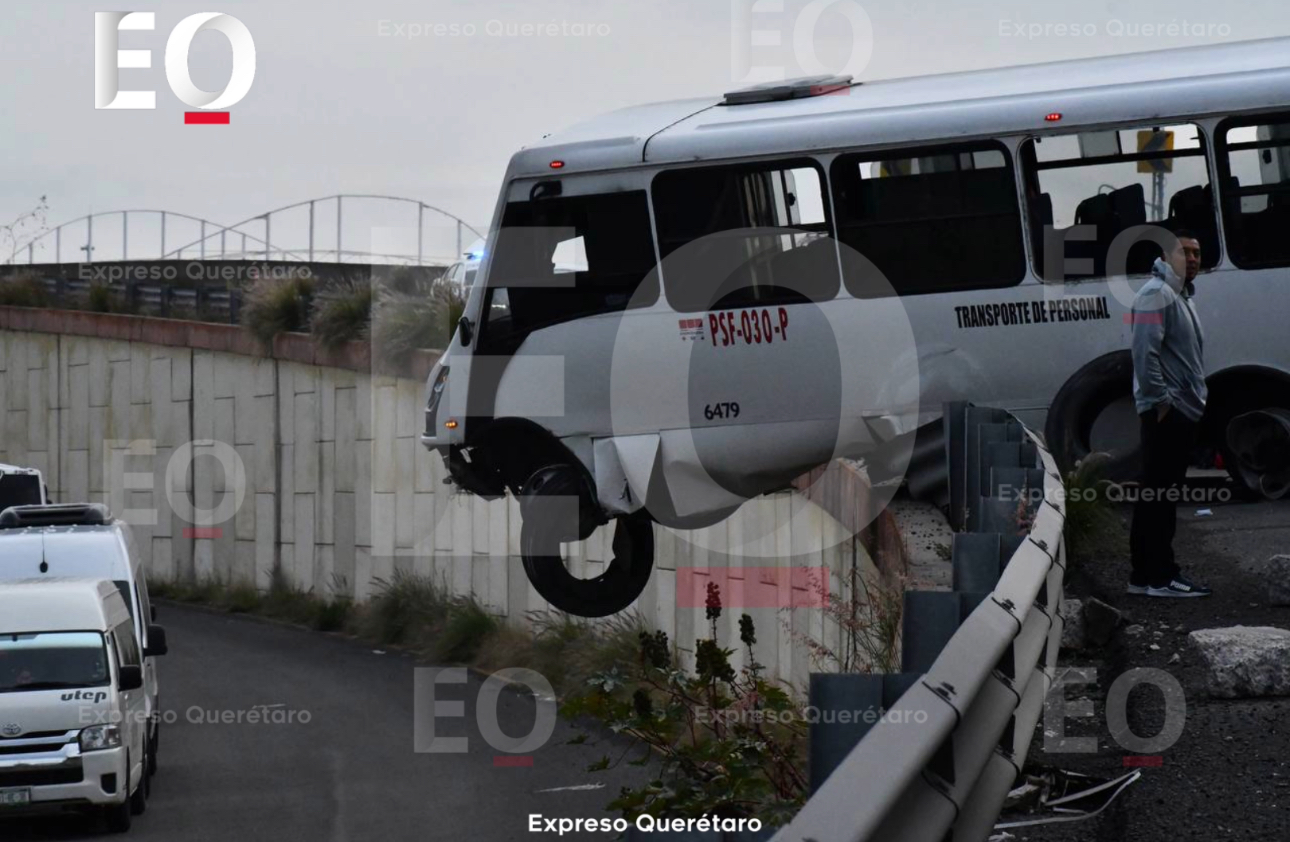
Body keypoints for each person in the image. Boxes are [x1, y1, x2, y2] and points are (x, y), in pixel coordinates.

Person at [1128, 228, 1212, 597]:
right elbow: (1144, 355)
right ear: (1167, 255)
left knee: (1156, 495)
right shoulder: (1155, 295)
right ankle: (1162, 577)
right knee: (1160, 498)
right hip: (1167, 412)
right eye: (1185, 252)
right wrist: (1162, 403)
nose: (1192, 258)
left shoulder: (1180, 296)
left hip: (1179, 410)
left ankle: (1144, 576)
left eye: (1197, 253)